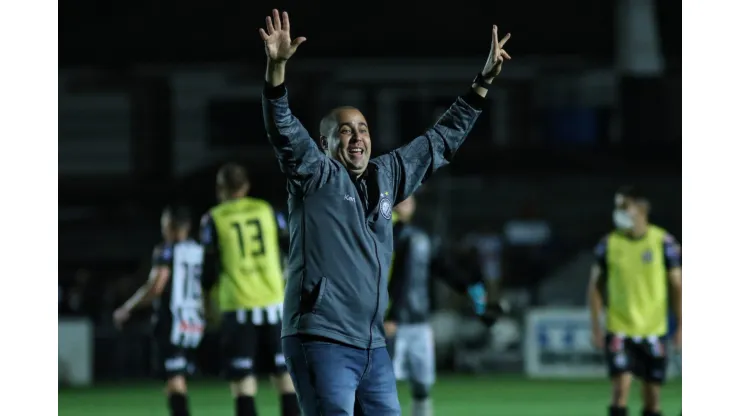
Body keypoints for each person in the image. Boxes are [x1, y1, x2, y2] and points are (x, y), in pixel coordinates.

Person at [259, 9, 512, 416]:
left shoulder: (388, 174)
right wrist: (276, 70)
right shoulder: (314, 174)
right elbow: (282, 127)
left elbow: (441, 140)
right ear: (324, 143)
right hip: (321, 338)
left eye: (362, 128)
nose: (357, 136)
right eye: (345, 130)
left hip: (372, 344)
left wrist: (482, 83)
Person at [199, 163, 299, 416]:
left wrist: (205, 302)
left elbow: (209, 269)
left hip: (238, 304)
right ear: (246, 186)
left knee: (243, 380)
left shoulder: (214, 218)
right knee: (284, 376)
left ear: (220, 188)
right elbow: (291, 250)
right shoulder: (267, 211)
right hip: (274, 302)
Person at [385, 195, 490, 416]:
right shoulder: (381, 232)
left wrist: (468, 287)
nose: (405, 201)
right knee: (381, 386)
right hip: (389, 321)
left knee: (422, 386)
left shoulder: (420, 237)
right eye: (401, 197)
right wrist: (391, 315)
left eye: (409, 198)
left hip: (419, 320)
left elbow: (443, 268)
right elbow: (395, 279)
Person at [588, 186, 681, 416]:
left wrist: (682, 324)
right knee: (620, 388)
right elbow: (595, 287)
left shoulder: (663, 242)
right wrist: (596, 326)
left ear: (641, 210)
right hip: (619, 327)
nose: (619, 213)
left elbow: (678, 285)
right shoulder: (608, 244)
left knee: (652, 398)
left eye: (624, 208)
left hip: (653, 329)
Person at [113, 206, 205, 416]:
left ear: (169, 226)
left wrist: (127, 308)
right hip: (193, 322)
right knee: (176, 378)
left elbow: (156, 286)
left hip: (171, 321)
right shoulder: (197, 249)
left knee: (174, 380)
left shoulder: (167, 250)